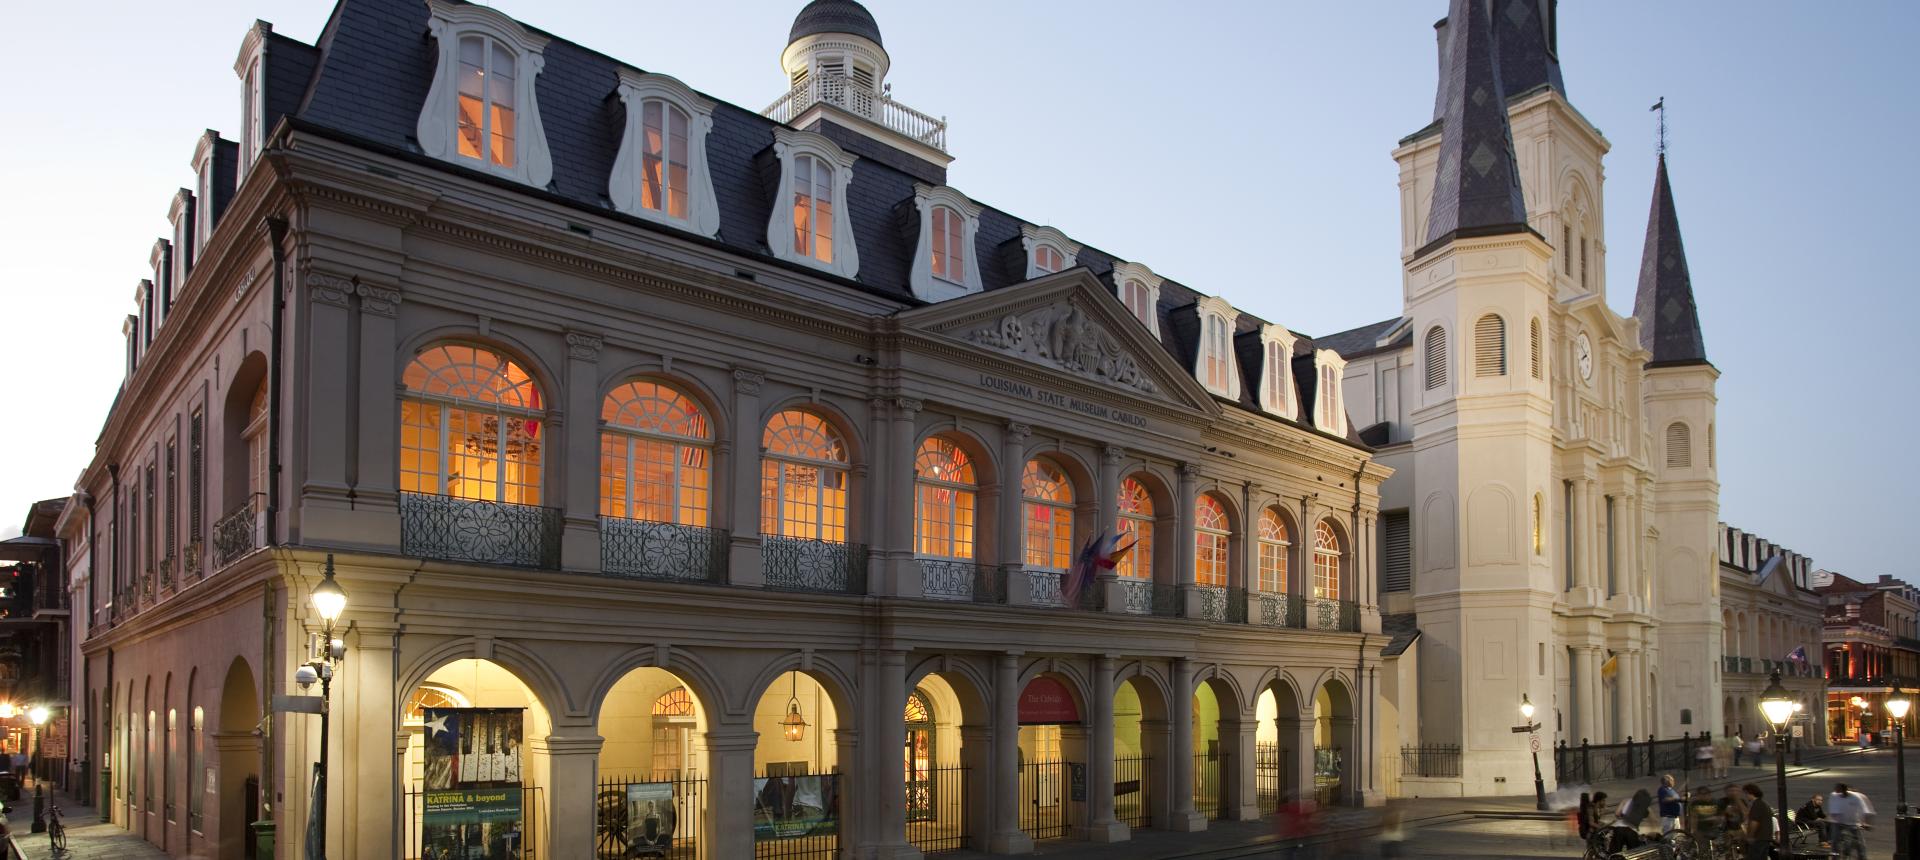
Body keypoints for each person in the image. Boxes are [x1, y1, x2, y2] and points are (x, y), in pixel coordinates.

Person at [1827, 782, 1875, 860]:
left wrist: (1865, 823)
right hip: (1838, 823)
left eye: (1840, 792)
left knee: (1860, 844)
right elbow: (1834, 812)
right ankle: (1835, 857)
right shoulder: (1834, 795)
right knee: (1835, 842)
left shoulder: (1855, 797)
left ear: (1845, 790)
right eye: (1837, 791)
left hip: (1853, 823)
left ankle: (1862, 857)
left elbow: (1864, 810)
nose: (1838, 794)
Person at [1742, 784, 1774, 860]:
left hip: (1758, 838)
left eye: (1746, 793)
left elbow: (1754, 822)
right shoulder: (1764, 804)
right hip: (1765, 838)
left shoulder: (1757, 804)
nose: (1745, 796)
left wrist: (1750, 836)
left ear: (1750, 793)